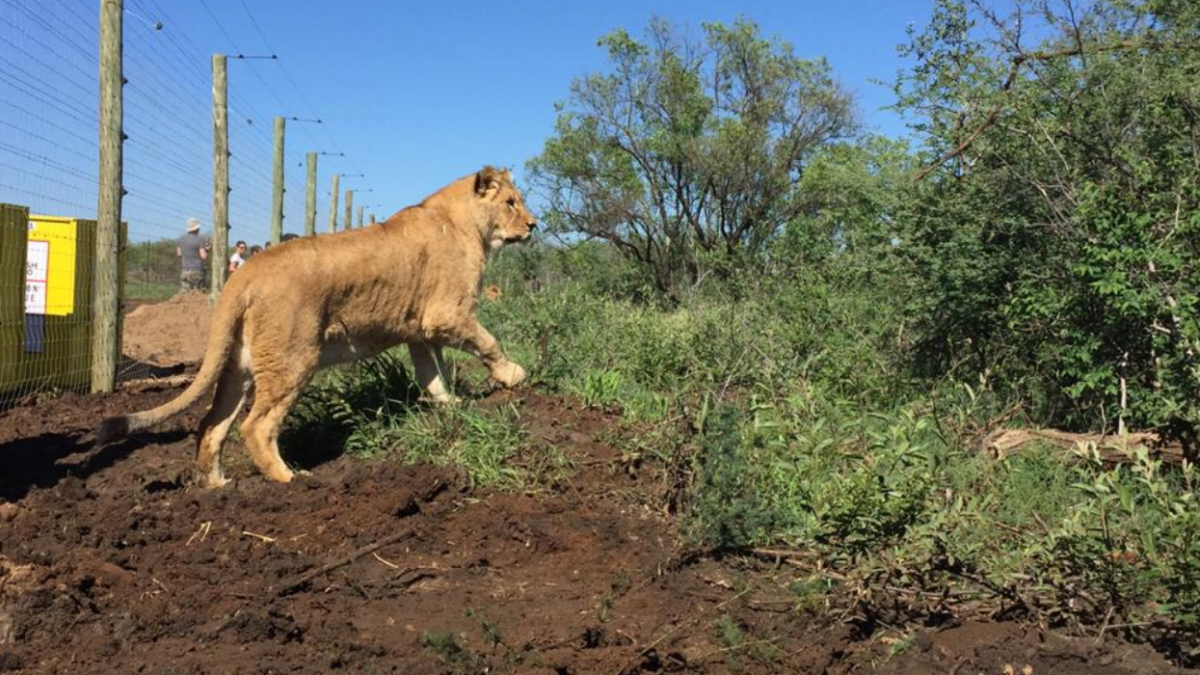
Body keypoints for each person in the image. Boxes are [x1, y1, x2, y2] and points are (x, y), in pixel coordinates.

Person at [176, 217, 207, 291]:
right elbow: (204, 256)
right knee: (199, 293)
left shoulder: (180, 239)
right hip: (197, 271)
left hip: (185, 270)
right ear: (197, 228)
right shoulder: (200, 240)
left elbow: (179, 254)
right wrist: (207, 250)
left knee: (185, 293)